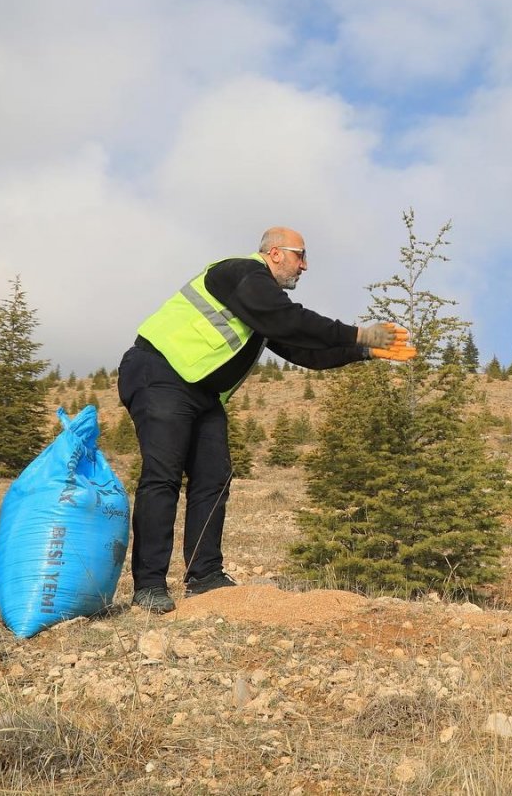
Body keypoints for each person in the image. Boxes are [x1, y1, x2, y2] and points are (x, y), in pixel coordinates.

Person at [117, 226, 415, 613]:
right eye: (299, 255)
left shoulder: (261, 306)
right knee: (163, 477)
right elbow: (289, 320)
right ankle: (149, 585)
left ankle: (205, 577)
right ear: (275, 253)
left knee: (213, 479)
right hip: (159, 373)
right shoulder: (241, 273)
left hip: (201, 393)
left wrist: (366, 354)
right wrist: (360, 334)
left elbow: (303, 350)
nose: (304, 266)